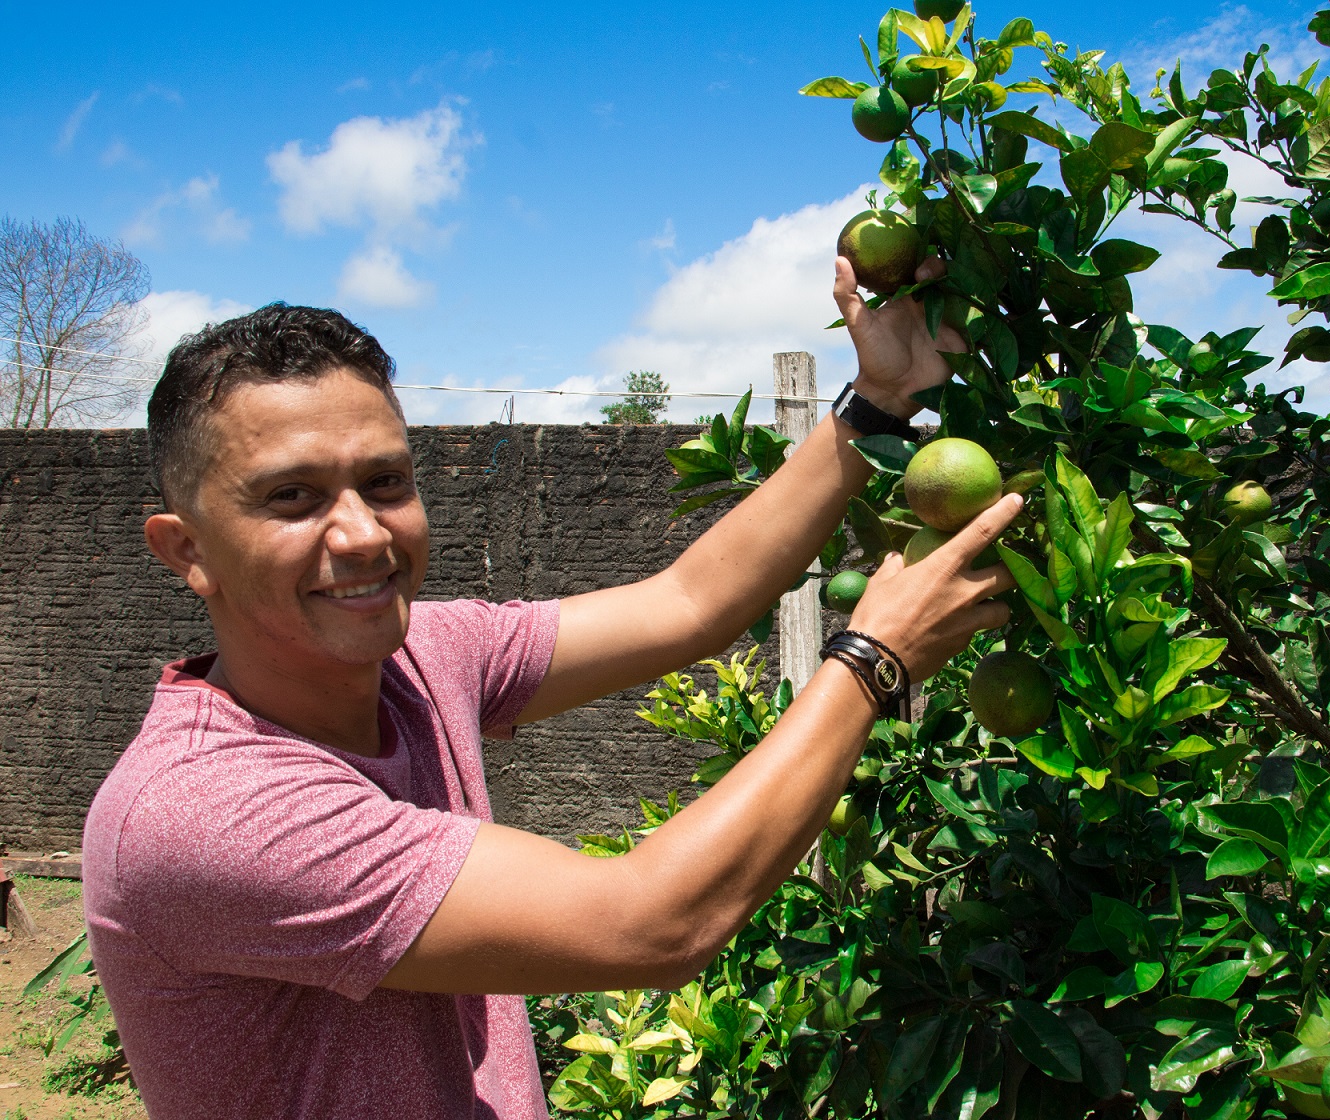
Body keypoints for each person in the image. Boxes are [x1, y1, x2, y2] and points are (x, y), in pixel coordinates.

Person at [81, 256, 1020, 1118]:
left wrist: (877, 403)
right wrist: (873, 661)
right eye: (292, 497)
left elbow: (690, 603)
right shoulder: (204, 811)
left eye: (386, 480)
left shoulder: (415, 657)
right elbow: (653, 925)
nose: (363, 533)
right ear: (186, 550)